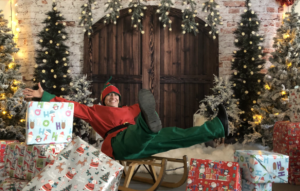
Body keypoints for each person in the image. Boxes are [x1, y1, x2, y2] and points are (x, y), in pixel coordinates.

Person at [23, 77, 229, 160]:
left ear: (119, 99)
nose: (113, 96)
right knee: (136, 132)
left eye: (116, 95)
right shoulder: (95, 111)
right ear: (104, 100)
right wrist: (45, 96)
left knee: (176, 134)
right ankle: (148, 125)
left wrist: (147, 105)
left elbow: (144, 103)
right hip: (119, 143)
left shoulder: (131, 109)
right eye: (109, 95)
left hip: (145, 142)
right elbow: (73, 106)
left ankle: (218, 127)